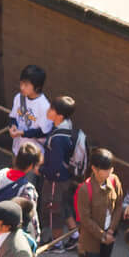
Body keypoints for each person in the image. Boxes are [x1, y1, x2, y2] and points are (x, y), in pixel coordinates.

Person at [66, 146, 123, 257]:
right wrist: (102, 235)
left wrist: (111, 229)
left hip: (109, 234)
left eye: (110, 168)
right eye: (105, 169)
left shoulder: (114, 180)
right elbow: (85, 218)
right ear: (94, 169)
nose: (109, 172)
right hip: (92, 239)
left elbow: (119, 205)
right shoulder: (85, 189)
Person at [38, 95, 85, 240]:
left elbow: (55, 167)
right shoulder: (66, 126)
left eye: (51, 108)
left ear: (59, 115)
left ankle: (56, 244)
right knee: (64, 205)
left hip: (56, 180)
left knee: (54, 210)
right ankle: (75, 236)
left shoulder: (58, 138)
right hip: (66, 177)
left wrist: (40, 170)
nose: (48, 110)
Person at [9, 64, 50, 145]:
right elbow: (13, 117)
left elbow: (44, 132)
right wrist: (13, 126)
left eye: (26, 85)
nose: (22, 88)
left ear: (37, 87)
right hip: (18, 147)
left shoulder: (44, 106)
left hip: (35, 152)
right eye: (21, 83)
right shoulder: (19, 97)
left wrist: (23, 133)